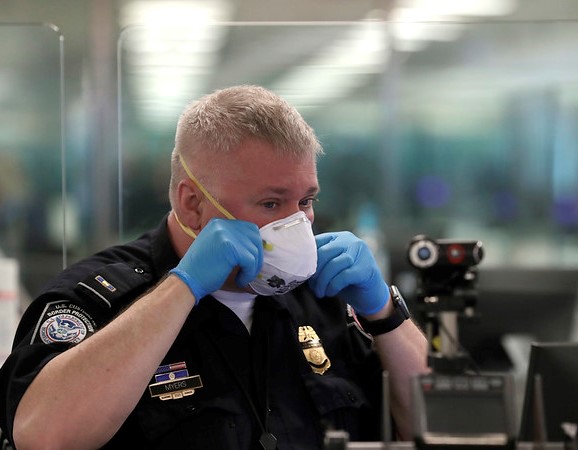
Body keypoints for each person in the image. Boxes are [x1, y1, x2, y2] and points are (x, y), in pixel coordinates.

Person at [0, 85, 429, 450]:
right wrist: (182, 287)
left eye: (306, 201)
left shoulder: (323, 296)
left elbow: (438, 426)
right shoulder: (100, 297)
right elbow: (42, 435)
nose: (297, 222)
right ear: (192, 203)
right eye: (271, 203)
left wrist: (385, 315)